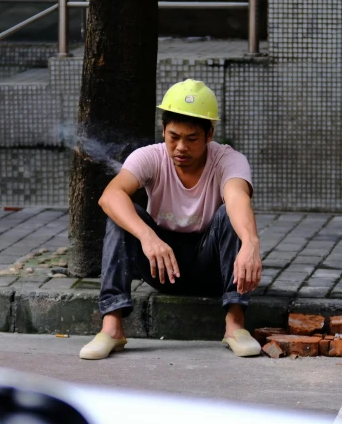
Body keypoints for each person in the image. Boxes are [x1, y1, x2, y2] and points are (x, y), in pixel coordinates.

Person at [79, 79, 262, 360]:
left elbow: (237, 198)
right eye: (173, 136)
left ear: (209, 134)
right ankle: (112, 327)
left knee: (229, 215)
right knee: (121, 216)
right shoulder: (149, 157)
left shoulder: (229, 159)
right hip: (162, 265)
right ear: (163, 130)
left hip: (210, 265)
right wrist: (148, 237)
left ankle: (235, 325)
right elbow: (110, 195)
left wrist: (250, 243)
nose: (180, 147)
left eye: (192, 139)